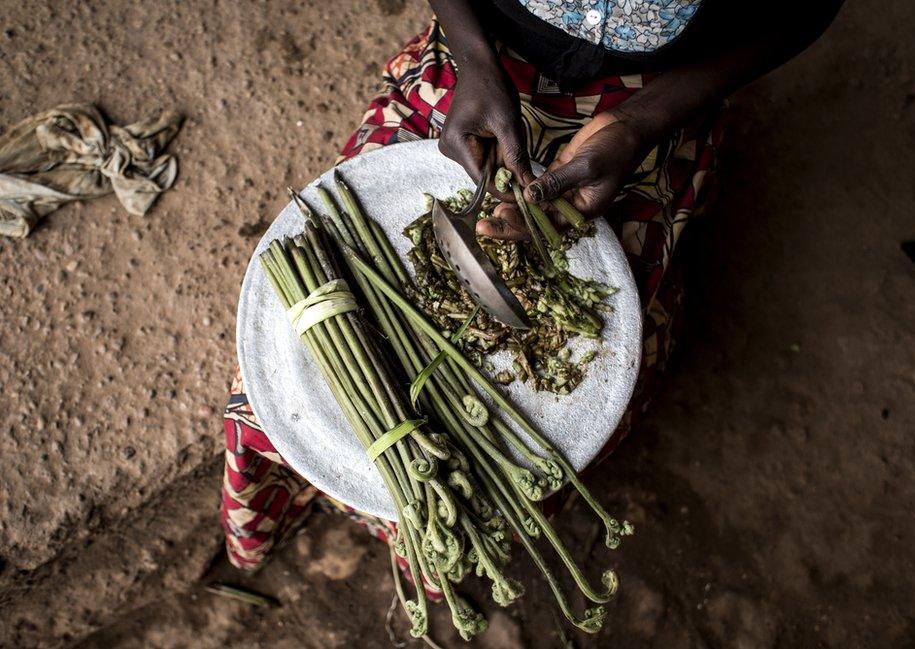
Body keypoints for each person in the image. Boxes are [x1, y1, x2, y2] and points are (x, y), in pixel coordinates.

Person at [220, 0, 844, 578]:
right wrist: (472, 54)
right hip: (480, 62)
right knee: (276, 395)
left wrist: (635, 124)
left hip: (661, 96)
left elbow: (803, 9)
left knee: (590, 385)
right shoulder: (476, 57)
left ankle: (445, 555)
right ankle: (280, 522)